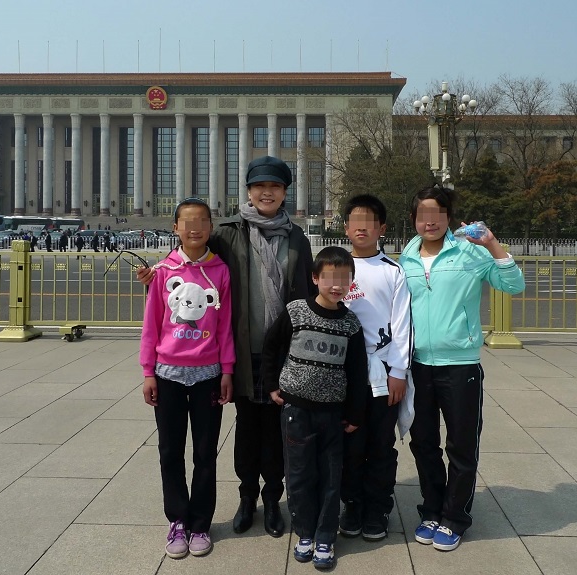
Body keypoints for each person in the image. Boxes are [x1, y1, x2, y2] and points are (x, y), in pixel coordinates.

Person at [138, 156, 315, 538]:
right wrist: (156, 275)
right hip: (242, 353)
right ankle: (246, 497)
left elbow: (307, 290)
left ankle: (273, 499)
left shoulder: (297, 238)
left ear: (285, 192)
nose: (267, 192)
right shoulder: (229, 233)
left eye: (275, 186)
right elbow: (191, 260)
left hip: (283, 355)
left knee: (277, 431)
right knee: (247, 429)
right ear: (249, 191)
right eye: (259, 186)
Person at [399, 186, 525, 551]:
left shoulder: (471, 253)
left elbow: (513, 285)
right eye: (423, 214)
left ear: (448, 217)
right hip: (417, 365)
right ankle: (432, 510)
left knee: (462, 444)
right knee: (424, 443)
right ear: (413, 219)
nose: (430, 221)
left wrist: (492, 244)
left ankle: (455, 517)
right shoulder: (406, 258)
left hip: (461, 365)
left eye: (437, 214)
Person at [262, 246, 368, 570]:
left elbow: (357, 371)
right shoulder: (296, 312)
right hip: (296, 411)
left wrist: (355, 413)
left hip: (332, 413)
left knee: (331, 476)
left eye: (344, 279)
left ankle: (325, 536)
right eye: (329, 278)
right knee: (299, 475)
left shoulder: (350, 324)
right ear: (315, 278)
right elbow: (271, 346)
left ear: (351, 283)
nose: (336, 285)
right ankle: (305, 532)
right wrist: (272, 384)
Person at [141, 197, 234, 559]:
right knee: (170, 451)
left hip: (208, 374)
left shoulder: (221, 271)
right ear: (176, 228)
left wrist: (227, 370)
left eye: (202, 222)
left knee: (205, 453)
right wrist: (148, 372)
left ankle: (201, 523)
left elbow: (225, 326)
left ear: (211, 227)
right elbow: (152, 324)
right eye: (187, 222)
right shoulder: (163, 272)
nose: (195, 229)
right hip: (168, 374)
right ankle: (178, 519)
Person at [338, 194, 413, 542]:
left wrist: (399, 371)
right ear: (345, 227)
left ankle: (378, 508)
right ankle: (352, 505)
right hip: (344, 374)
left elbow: (402, 325)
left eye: (369, 222)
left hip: (383, 374)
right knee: (349, 444)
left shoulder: (392, 271)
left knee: (381, 445)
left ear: (381, 228)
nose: (362, 228)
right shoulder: (335, 268)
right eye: (355, 221)